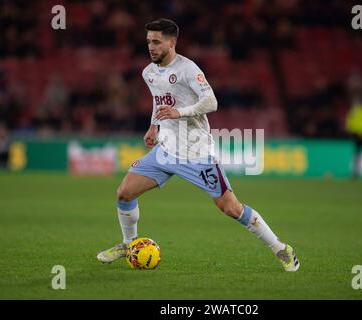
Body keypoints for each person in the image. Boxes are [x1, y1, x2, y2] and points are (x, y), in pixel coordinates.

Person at [97, 19, 300, 272]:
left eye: (157, 42)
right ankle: (128, 245)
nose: (151, 47)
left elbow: (211, 102)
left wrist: (179, 112)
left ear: (172, 42)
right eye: (149, 41)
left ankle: (281, 248)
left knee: (231, 208)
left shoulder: (188, 69)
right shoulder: (148, 72)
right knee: (124, 193)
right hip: (165, 150)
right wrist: (153, 126)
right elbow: (158, 100)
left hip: (196, 153)